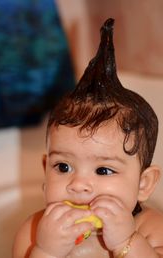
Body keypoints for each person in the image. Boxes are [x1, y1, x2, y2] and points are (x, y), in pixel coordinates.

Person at [13, 18, 163, 258]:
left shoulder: (151, 229)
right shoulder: (34, 232)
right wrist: (45, 251)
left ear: (143, 184)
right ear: (45, 169)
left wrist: (127, 242)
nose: (78, 185)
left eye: (103, 170)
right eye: (63, 167)